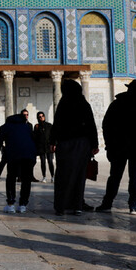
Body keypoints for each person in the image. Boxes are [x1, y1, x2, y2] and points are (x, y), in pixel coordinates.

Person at [95, 80, 136, 215]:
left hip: (118, 147)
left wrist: (109, 145)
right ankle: (133, 205)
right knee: (135, 177)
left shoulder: (117, 104)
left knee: (115, 176)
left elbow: (106, 125)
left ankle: (107, 203)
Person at [50, 80, 98, 215]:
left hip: (64, 144)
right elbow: (91, 125)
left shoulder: (63, 104)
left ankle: (60, 206)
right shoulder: (83, 104)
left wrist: (52, 141)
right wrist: (94, 144)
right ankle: (77, 206)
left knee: (62, 175)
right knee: (79, 175)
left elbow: (57, 123)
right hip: (82, 144)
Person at [0, 113, 37, 213]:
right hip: (28, 156)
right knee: (26, 180)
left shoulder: (6, 127)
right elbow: (34, 140)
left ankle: (11, 205)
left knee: (11, 178)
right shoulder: (27, 127)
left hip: (14, 155)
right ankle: (23, 205)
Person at [33, 111, 54, 183]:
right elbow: (35, 137)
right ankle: (44, 176)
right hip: (41, 147)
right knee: (43, 162)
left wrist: (54, 144)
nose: (41, 118)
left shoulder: (49, 125)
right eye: (40, 117)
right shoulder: (37, 126)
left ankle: (52, 176)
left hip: (48, 146)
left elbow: (53, 136)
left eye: (42, 116)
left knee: (50, 161)